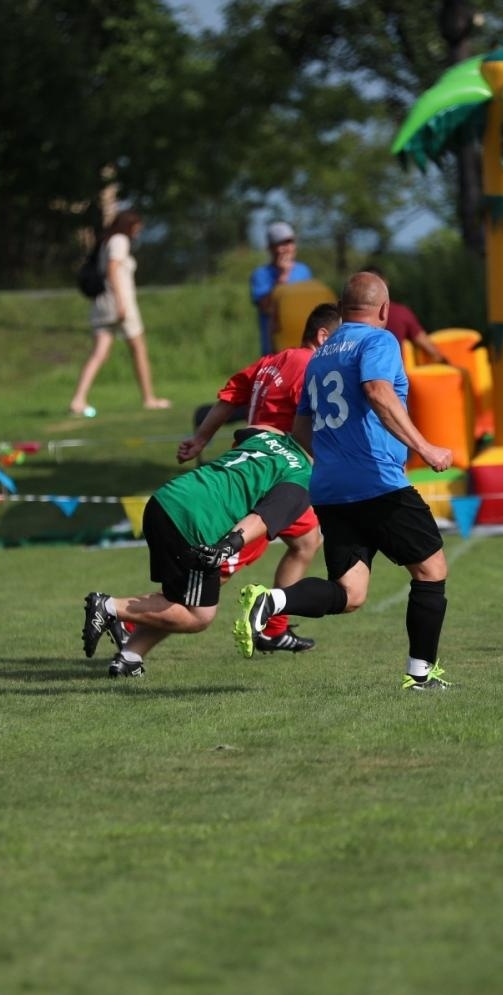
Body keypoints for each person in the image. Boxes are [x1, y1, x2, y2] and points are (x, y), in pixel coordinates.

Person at [235, 272, 457, 691]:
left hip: (331, 490)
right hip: (378, 482)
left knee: (350, 593)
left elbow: (302, 427)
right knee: (431, 569)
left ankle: (274, 600)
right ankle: (420, 674)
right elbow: (377, 390)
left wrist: (327, 463)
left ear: (340, 308)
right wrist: (425, 448)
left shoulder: (320, 355)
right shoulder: (379, 341)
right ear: (385, 310)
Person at [82, 426, 313, 678]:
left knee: (179, 599)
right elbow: (263, 518)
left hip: (165, 500)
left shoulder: (269, 436)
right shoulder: (300, 476)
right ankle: (109, 607)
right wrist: (229, 545)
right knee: (199, 616)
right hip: (196, 523)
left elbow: (243, 432)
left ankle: (130, 657)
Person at [177, 303, 342, 653]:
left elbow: (230, 396)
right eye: (341, 339)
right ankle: (132, 618)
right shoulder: (310, 365)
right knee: (219, 567)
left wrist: (201, 440)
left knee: (307, 541)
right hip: (270, 476)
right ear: (323, 336)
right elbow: (311, 423)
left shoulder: (272, 361)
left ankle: (272, 628)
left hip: (261, 466)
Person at [68, 209, 170, 417]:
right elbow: (113, 270)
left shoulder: (107, 241)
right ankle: (149, 398)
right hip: (119, 303)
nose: (138, 232)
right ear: (129, 226)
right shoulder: (120, 240)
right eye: (137, 227)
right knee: (138, 349)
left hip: (103, 304)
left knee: (100, 353)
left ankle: (78, 399)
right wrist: (121, 302)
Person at [363, 265, 454, 368]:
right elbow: (429, 348)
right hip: (393, 379)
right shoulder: (401, 313)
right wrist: (448, 365)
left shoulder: (349, 317)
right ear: (386, 283)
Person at [250, 220, 313, 356]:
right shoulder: (261, 274)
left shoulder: (304, 271)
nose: (287, 248)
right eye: (281, 243)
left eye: (290, 242)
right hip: (275, 349)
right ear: (271, 248)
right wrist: (283, 276)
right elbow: (265, 307)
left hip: (302, 346)